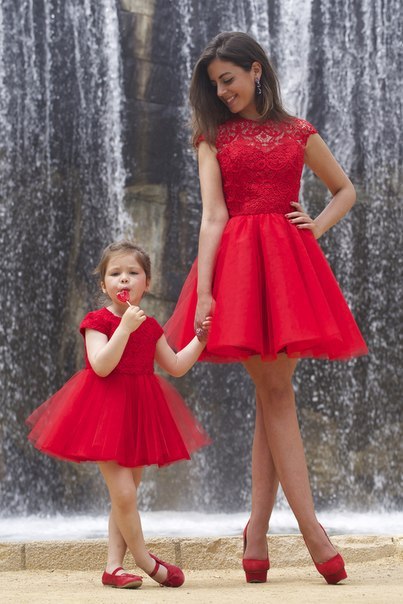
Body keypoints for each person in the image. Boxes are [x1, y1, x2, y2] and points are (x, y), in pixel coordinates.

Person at [164, 31, 368, 585]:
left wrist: (314, 229)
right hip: (238, 270)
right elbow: (212, 217)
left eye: (227, 80)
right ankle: (311, 531)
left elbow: (345, 190)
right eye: (214, 85)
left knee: (271, 394)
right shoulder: (212, 137)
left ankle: (257, 533)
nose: (222, 91)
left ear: (256, 71)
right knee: (276, 393)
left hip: (288, 270)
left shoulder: (299, 131)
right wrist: (206, 291)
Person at [26, 240, 211, 590]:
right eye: (115, 274)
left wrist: (199, 341)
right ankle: (146, 561)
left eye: (133, 273)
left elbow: (174, 366)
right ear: (103, 284)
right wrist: (124, 328)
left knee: (124, 495)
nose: (124, 280)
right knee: (124, 494)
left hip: (140, 413)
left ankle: (113, 567)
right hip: (103, 413)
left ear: (148, 282)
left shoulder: (151, 325)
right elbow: (100, 365)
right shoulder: (97, 321)